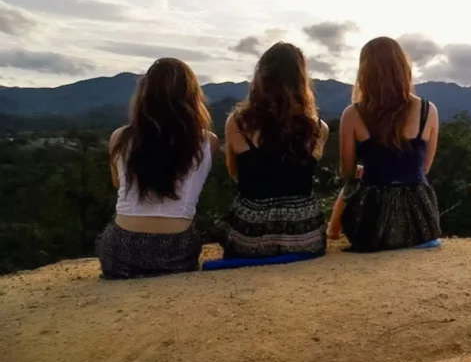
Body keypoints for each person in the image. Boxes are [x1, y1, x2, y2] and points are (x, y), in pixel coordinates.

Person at [96, 58, 218, 279]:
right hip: (176, 252)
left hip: (121, 252)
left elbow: (118, 184)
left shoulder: (120, 138)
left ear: (144, 94)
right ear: (192, 95)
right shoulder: (208, 142)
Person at [218, 42, 329, 258]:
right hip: (305, 235)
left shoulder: (238, 123)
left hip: (250, 236)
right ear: (301, 79)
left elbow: (234, 173)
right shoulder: (318, 128)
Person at [331, 36, 441, 251]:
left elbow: (347, 172)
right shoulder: (429, 111)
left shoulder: (353, 113)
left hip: (372, 228)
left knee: (352, 185)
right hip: (422, 226)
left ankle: (331, 231)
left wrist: (367, 169)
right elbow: (424, 168)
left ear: (364, 72)